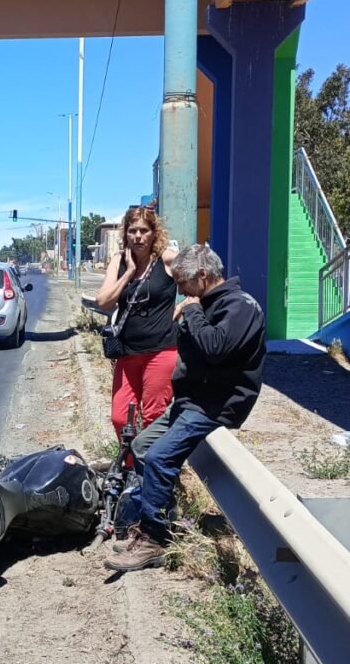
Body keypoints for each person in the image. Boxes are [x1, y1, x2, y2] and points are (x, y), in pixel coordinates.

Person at [102, 242, 266, 573]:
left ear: (202, 275)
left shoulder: (241, 306)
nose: (180, 291)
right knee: (142, 446)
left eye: (182, 283)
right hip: (192, 400)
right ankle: (162, 515)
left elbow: (215, 348)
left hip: (216, 404)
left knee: (160, 457)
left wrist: (191, 312)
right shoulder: (206, 303)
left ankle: (154, 540)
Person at [96, 206, 178, 442]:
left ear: (154, 233)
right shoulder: (119, 261)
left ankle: (150, 464)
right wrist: (128, 273)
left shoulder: (168, 259)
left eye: (144, 230)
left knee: (154, 417)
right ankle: (131, 461)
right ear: (126, 234)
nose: (138, 236)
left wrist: (183, 307)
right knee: (121, 418)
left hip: (161, 352)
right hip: (127, 353)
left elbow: (201, 282)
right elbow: (103, 301)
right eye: (132, 231)